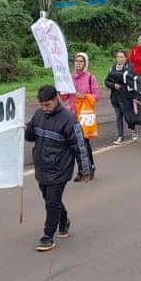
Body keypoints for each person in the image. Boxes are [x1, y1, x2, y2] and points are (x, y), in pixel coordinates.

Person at [25, 85, 92, 252]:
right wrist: (27, 129)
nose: (44, 108)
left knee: (52, 201)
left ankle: (48, 236)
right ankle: (63, 221)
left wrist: (85, 169)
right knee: (48, 198)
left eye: (47, 104)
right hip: (41, 166)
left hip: (60, 168)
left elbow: (80, 146)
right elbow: (31, 137)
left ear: (56, 99)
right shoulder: (39, 115)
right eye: (42, 105)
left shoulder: (69, 120)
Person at [62, 53, 99, 182]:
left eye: (81, 61)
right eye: (76, 61)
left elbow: (96, 96)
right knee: (75, 144)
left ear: (85, 63)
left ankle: (90, 167)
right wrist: (60, 90)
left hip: (84, 114)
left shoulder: (90, 78)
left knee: (85, 143)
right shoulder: (69, 78)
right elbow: (65, 97)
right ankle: (81, 171)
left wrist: (84, 96)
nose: (78, 63)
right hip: (71, 114)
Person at [105, 50, 138, 144]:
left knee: (128, 116)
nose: (119, 59)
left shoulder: (130, 67)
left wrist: (116, 76)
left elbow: (127, 78)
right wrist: (113, 85)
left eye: (121, 57)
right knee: (118, 116)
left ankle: (133, 130)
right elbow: (106, 81)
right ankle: (120, 136)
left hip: (126, 97)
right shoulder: (112, 68)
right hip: (115, 97)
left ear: (125, 58)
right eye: (118, 57)